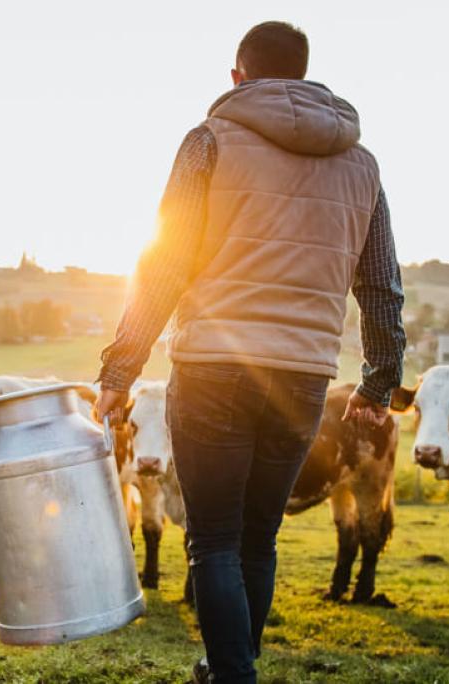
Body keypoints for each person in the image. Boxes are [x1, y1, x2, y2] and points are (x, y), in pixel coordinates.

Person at [95, 21, 406, 684]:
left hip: (213, 367)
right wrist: (379, 382)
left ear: (238, 76)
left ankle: (232, 674)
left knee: (213, 539)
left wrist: (121, 368)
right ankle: (228, 666)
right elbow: (381, 283)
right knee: (258, 537)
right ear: (303, 75)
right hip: (304, 375)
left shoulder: (209, 140)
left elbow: (165, 261)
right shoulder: (362, 165)